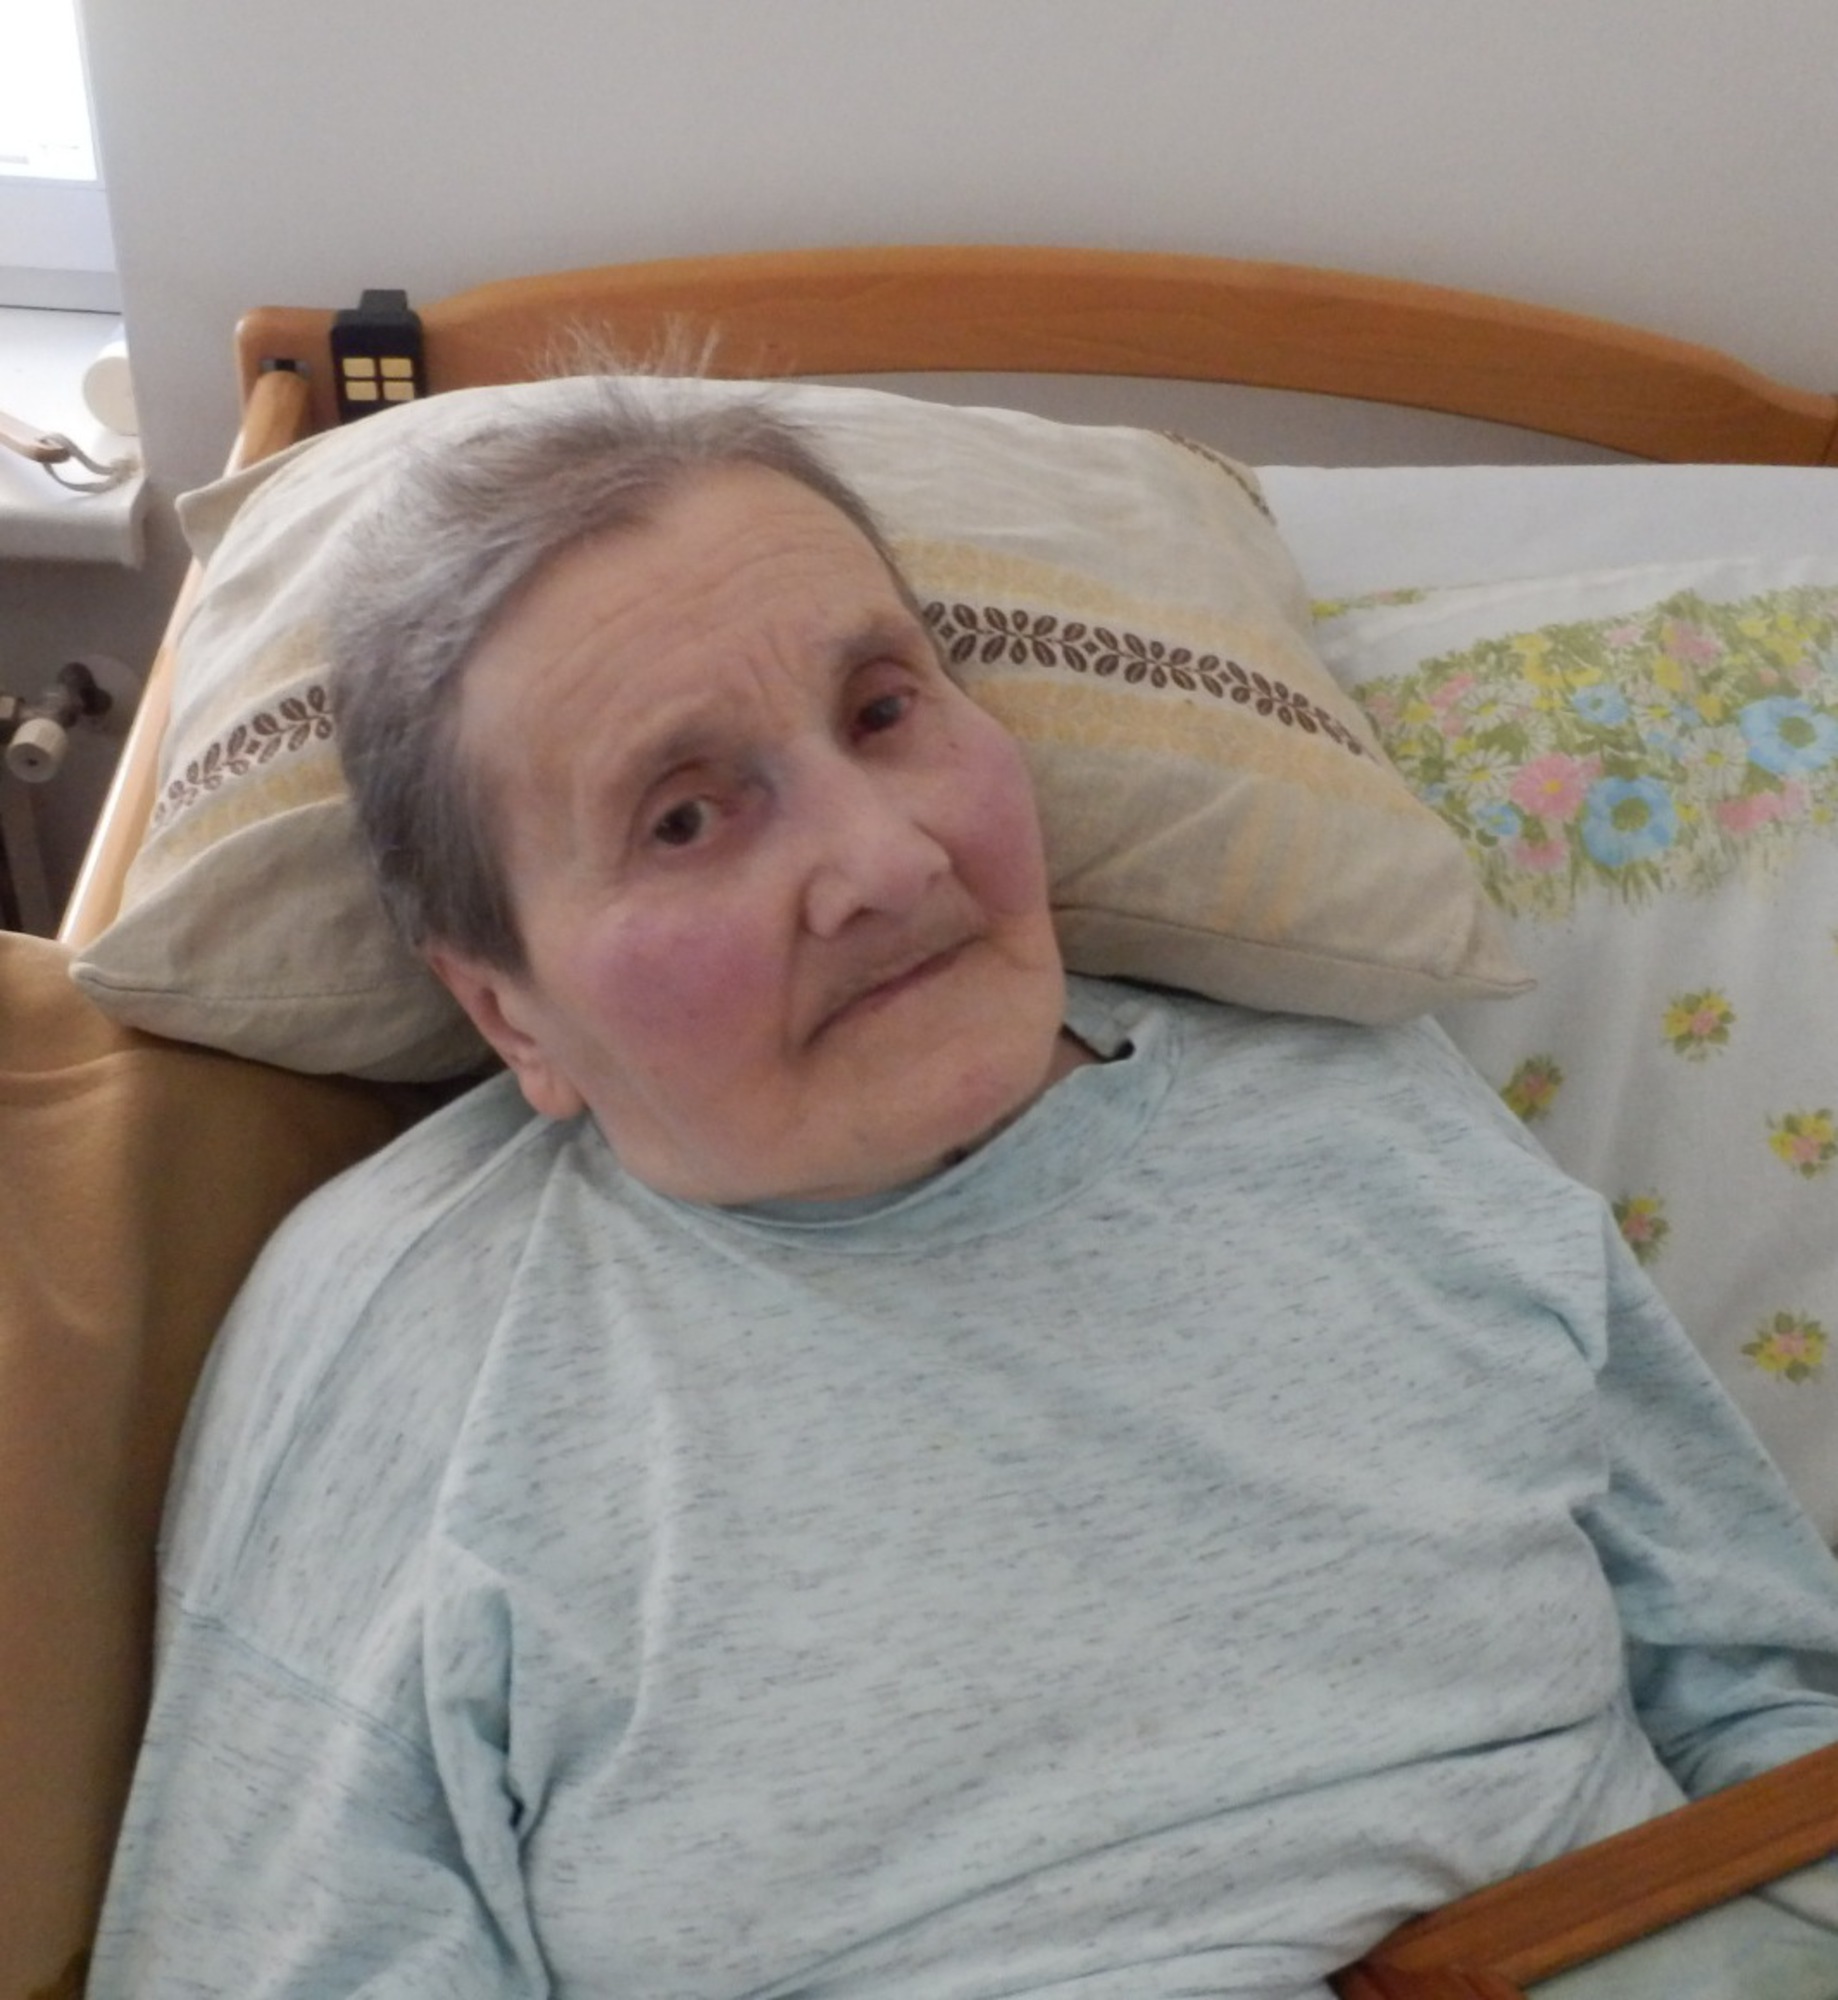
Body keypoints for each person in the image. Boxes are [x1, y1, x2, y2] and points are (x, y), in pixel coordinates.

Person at [90, 381, 1838, 2000]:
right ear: (508, 1013)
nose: (881, 859)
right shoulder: (411, 1339)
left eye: (881, 710)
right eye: (685, 817)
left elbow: (1771, 1709)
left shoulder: (1356, 1104)